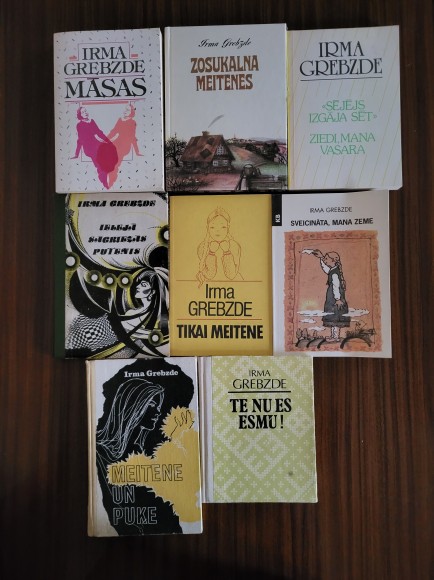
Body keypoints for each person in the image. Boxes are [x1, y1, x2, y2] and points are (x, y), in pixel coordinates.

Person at [95, 377, 182, 535]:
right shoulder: (100, 452)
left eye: (158, 406)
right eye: (152, 405)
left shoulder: (140, 452)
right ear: (133, 405)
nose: (158, 412)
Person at [71, 106, 117, 188]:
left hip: (98, 146)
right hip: (90, 149)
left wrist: (109, 141)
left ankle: (107, 181)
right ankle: (105, 184)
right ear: (80, 115)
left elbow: (99, 132)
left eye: (85, 111)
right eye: (83, 112)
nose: (85, 113)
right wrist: (76, 154)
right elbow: (80, 139)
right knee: (100, 166)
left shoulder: (92, 121)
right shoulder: (79, 125)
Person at [196, 207, 242, 287]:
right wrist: (211, 253)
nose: (218, 230)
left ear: (228, 227)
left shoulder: (234, 245)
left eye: (223, 227)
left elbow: (231, 275)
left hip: (233, 286)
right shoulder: (203, 247)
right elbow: (209, 275)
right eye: (212, 227)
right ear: (207, 228)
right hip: (209, 286)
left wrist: (227, 252)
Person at [311, 249, 350, 341]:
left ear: (333, 260)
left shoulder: (335, 273)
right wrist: (321, 258)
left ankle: (335, 337)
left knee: (335, 316)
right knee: (333, 316)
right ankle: (333, 336)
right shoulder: (333, 270)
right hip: (333, 297)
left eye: (326, 258)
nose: (325, 260)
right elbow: (325, 269)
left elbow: (336, 286)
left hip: (335, 298)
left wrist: (337, 299)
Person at [107, 103, 143, 188]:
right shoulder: (120, 120)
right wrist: (106, 139)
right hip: (115, 144)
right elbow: (113, 131)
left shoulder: (132, 122)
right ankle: (109, 181)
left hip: (124, 147)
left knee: (115, 165)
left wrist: (137, 151)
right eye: (125, 109)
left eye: (128, 110)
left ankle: (111, 183)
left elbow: (132, 137)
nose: (125, 111)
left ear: (131, 112)